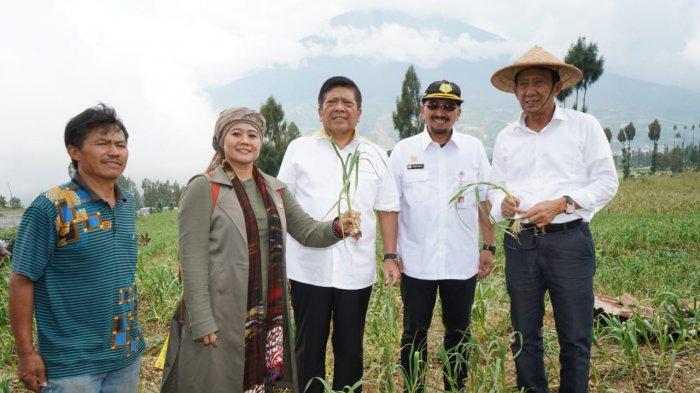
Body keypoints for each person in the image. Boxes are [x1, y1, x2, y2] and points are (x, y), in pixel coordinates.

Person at [159, 107, 359, 393]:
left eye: (252, 135)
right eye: (236, 133)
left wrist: (340, 227)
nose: (245, 140)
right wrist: (201, 320)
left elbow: (307, 231)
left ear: (260, 141)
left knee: (256, 381)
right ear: (221, 140)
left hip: (265, 309)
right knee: (215, 382)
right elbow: (191, 259)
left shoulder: (274, 189)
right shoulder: (205, 187)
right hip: (221, 310)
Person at [488, 46, 619, 393]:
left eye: (538, 83)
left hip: (570, 242)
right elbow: (493, 190)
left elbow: (607, 182)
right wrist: (502, 204)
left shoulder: (583, 127)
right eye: (523, 84)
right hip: (520, 242)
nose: (530, 91)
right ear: (514, 90)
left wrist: (562, 204)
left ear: (557, 87)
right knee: (524, 334)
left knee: (575, 335)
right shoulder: (506, 136)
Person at [277, 76, 401, 392]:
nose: (339, 108)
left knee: (350, 347)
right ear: (320, 111)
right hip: (308, 269)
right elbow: (279, 204)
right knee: (308, 347)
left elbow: (387, 209)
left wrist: (389, 256)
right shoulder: (299, 149)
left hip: (356, 271)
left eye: (347, 102)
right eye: (332, 102)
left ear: (359, 112)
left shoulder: (374, 154)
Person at [9, 104, 144, 393]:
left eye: (120, 144)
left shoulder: (127, 202)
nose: (114, 151)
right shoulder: (52, 207)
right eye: (102, 143)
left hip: (126, 355)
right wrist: (26, 353)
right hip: (72, 365)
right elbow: (21, 280)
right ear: (75, 151)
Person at [389, 80, 495, 391]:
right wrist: (391, 254)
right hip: (416, 262)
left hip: (460, 262)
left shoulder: (473, 149)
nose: (440, 112)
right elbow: (390, 207)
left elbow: (484, 199)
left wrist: (488, 246)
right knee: (413, 334)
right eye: (434, 105)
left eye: (449, 107)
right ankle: (413, 388)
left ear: (458, 113)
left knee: (459, 332)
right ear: (422, 109)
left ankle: (455, 386)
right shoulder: (404, 151)